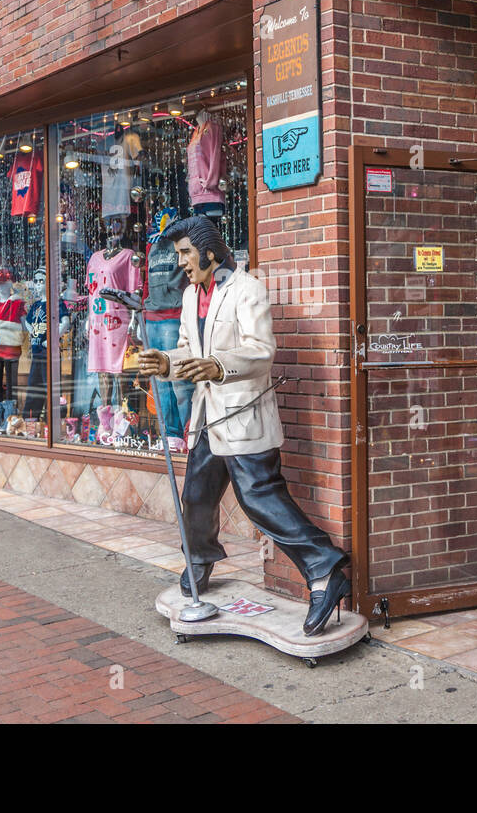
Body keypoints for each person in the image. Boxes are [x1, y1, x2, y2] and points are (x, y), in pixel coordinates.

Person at [137, 215, 349, 635]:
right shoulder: (189, 297)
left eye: (185, 253)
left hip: (243, 416)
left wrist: (217, 365)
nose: (180, 262)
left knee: (259, 500)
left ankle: (325, 568)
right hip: (207, 419)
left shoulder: (247, 289)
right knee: (196, 497)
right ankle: (199, 561)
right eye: (177, 254)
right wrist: (167, 363)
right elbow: (184, 350)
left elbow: (261, 351)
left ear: (209, 252)